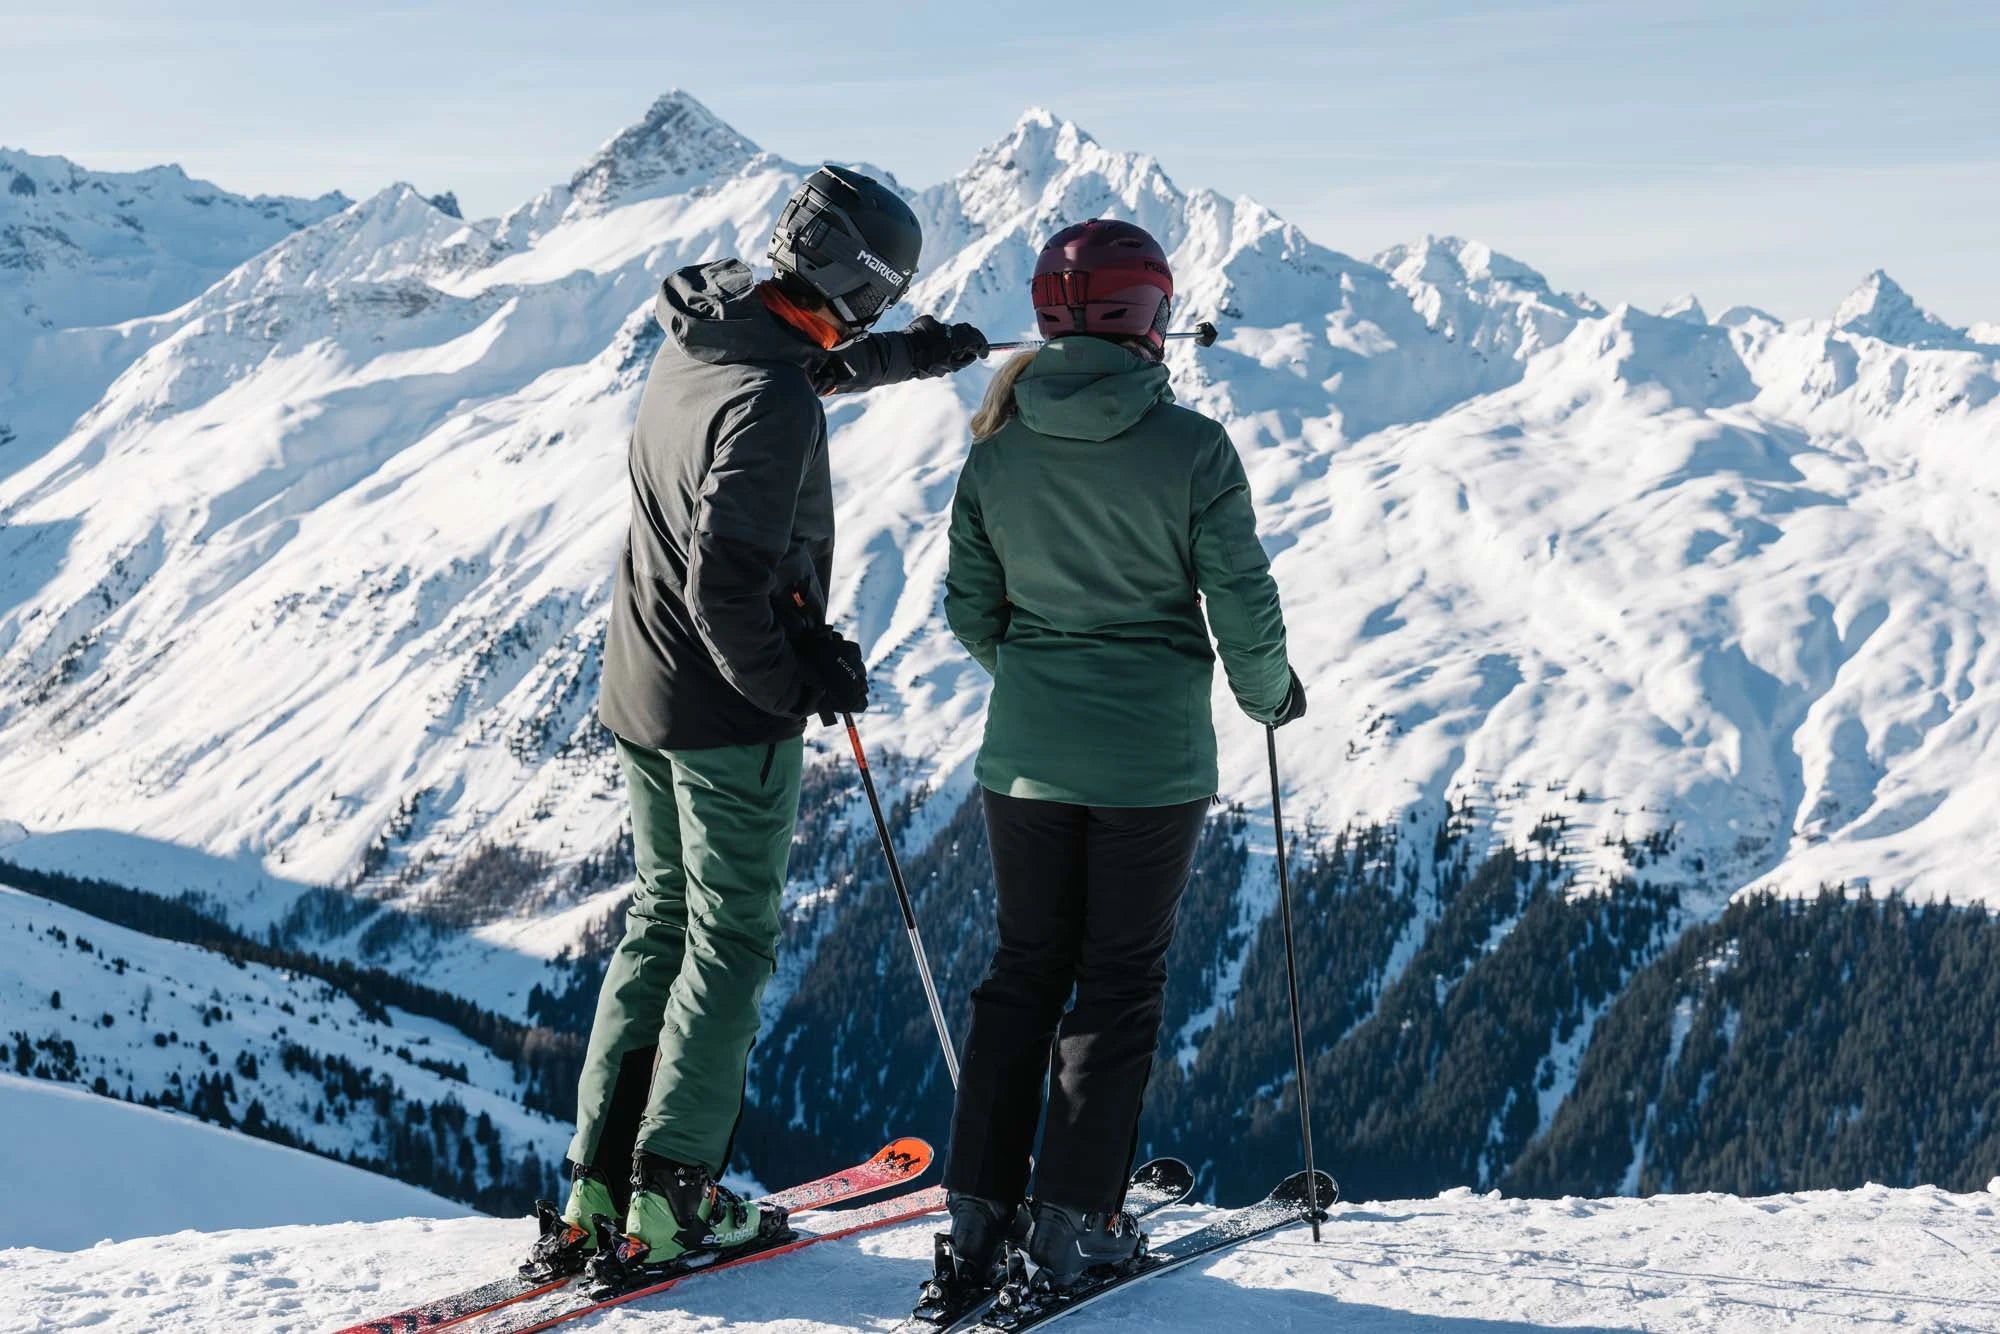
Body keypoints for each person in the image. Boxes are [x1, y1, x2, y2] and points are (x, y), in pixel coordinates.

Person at [531, 166, 988, 1279]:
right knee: (728, 937)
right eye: (881, 300)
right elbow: (726, 584)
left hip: (637, 683)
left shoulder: (707, 334)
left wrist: (923, 354)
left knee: (658, 923)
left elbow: (806, 366)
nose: (875, 318)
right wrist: (797, 679)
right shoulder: (772, 396)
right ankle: (673, 1199)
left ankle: (599, 1185)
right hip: (721, 704)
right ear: (853, 282)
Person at [934, 219, 1304, 1295]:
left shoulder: (995, 446)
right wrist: (1265, 691)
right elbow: (1239, 594)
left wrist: (1038, 679)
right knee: (1114, 988)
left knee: (1019, 977)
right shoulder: (1191, 447)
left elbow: (969, 607)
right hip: (1150, 764)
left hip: (1025, 762)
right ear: (1150, 312)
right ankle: (1071, 1226)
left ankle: (973, 1222)